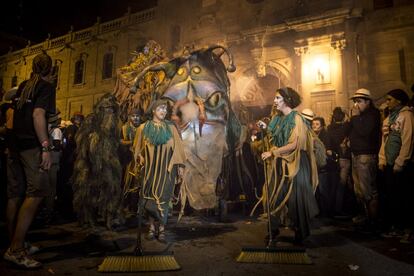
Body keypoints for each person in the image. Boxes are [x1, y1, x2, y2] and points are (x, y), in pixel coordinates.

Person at [4, 52, 56, 268]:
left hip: (14, 146)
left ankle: (16, 242)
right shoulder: (45, 87)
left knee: (15, 195)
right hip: (30, 147)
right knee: (35, 194)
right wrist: (45, 146)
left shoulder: (25, 85)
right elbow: (37, 115)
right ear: (50, 69)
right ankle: (16, 250)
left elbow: (12, 116)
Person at [261, 87, 318, 244]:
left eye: (278, 98)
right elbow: (273, 136)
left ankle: (300, 232)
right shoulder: (277, 119)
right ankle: (272, 230)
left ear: (287, 100)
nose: (275, 101)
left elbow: (295, 144)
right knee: (272, 196)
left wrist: (273, 153)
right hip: (280, 164)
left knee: (296, 200)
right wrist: (265, 129)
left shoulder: (297, 119)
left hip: (297, 164)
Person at [133, 99, 186, 243]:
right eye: (160, 108)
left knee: (163, 198)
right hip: (150, 170)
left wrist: (180, 166)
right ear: (153, 111)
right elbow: (137, 148)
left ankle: (161, 229)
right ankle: (151, 228)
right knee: (149, 199)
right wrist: (139, 157)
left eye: (165, 109)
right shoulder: (143, 128)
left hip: (166, 170)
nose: (163, 111)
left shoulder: (171, 128)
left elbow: (178, 149)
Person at [378, 89, 414, 242]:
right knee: (393, 197)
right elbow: (384, 141)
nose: (387, 102)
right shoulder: (388, 119)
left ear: (399, 101)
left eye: (389, 99)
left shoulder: (407, 116)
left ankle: (409, 230)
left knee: (405, 197)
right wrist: (382, 159)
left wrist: (401, 161)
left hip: (402, 165)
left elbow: (408, 140)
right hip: (389, 164)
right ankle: (397, 227)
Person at [347, 88, 381, 231]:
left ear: (368, 102)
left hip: (366, 156)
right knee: (359, 191)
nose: (356, 105)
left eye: (359, 101)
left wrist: (354, 117)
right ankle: (365, 218)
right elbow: (350, 130)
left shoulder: (373, 115)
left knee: (368, 191)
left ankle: (374, 222)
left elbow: (364, 131)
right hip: (356, 156)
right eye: (355, 102)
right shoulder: (358, 116)